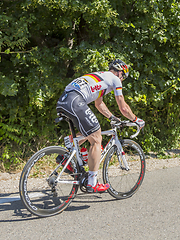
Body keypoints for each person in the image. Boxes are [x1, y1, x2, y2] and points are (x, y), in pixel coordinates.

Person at [56, 59, 145, 193]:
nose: (122, 80)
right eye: (123, 77)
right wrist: (136, 119)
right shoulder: (114, 79)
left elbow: (99, 104)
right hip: (76, 101)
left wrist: (112, 117)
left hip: (64, 100)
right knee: (97, 137)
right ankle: (92, 182)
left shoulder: (101, 77)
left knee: (90, 132)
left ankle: (68, 156)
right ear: (120, 73)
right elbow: (123, 107)